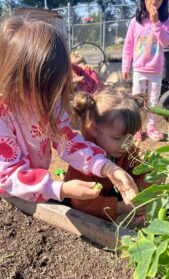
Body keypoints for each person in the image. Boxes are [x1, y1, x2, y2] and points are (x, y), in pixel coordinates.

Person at [0, 17, 138, 205]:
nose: (51, 100)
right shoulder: (3, 114)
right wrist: (60, 188)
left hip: (34, 188)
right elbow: (8, 175)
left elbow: (67, 141)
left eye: (55, 89)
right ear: (17, 80)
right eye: (45, 89)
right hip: (8, 194)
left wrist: (106, 167)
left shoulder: (48, 101)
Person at [65, 90, 149, 221]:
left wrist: (138, 196)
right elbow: (80, 203)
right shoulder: (82, 158)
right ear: (94, 129)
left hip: (112, 198)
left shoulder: (126, 149)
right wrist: (121, 207)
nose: (125, 144)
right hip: (83, 217)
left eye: (130, 137)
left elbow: (142, 172)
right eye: (117, 137)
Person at [122, 0, 169, 141]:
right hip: (139, 69)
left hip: (156, 70)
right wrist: (125, 66)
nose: (154, 1)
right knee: (138, 100)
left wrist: (156, 23)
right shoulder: (135, 22)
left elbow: (165, 42)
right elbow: (128, 46)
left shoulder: (165, 21)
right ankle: (137, 127)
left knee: (153, 101)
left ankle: (151, 127)